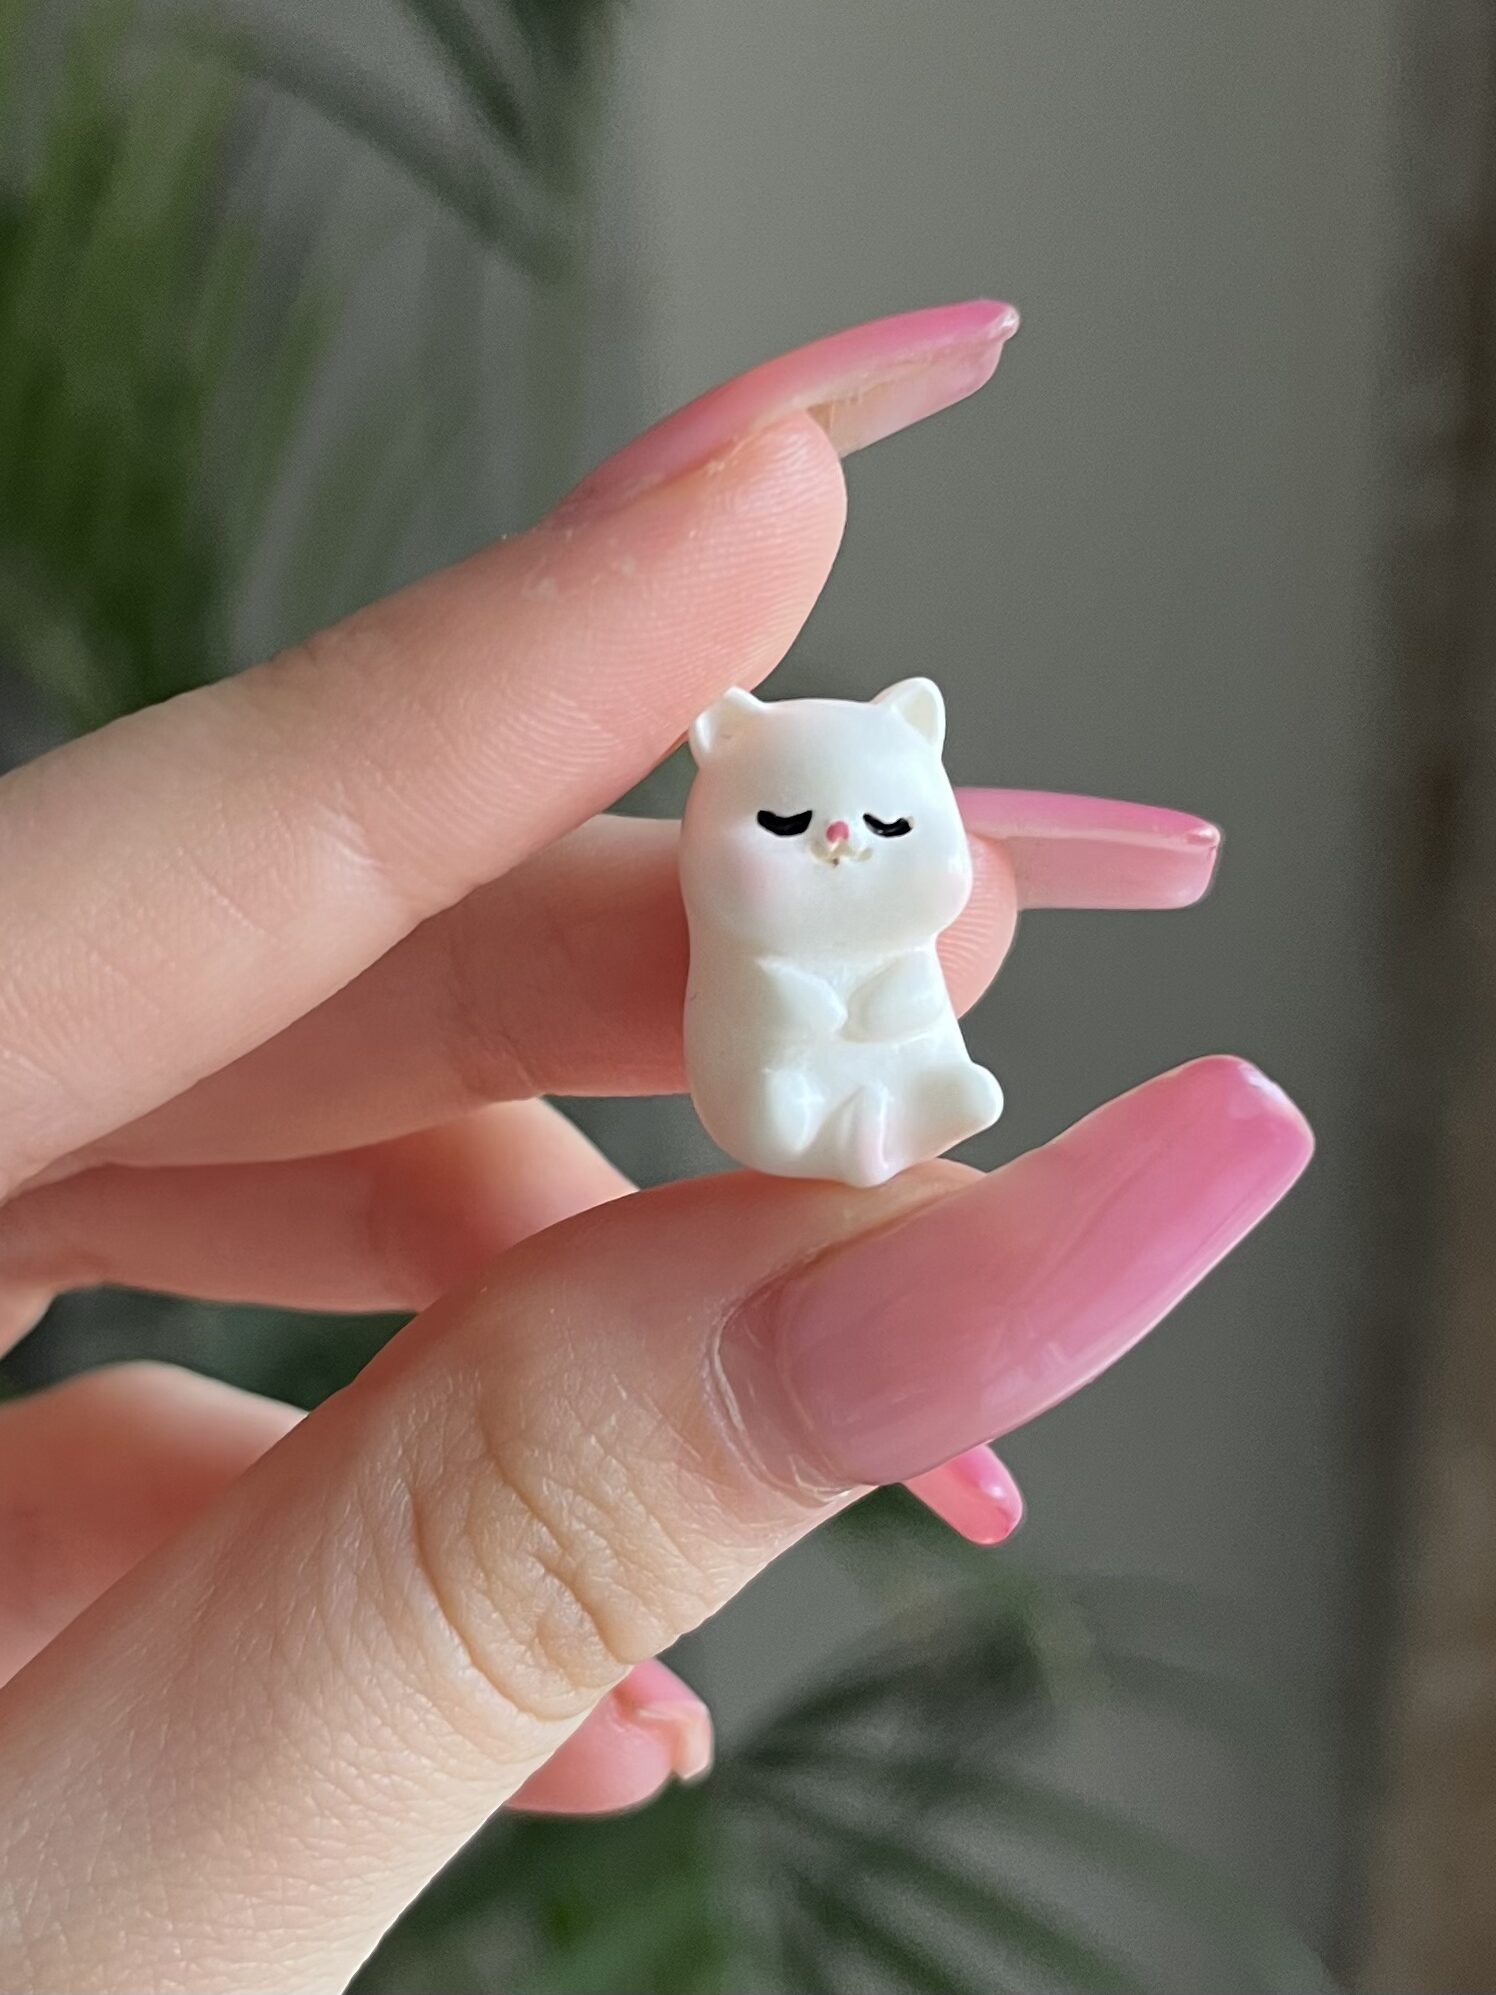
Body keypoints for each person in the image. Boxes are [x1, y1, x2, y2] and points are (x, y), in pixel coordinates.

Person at [0, 306, 1311, 1994]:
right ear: (718, 796)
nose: (841, 845)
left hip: (873, 1052)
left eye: (884, 824)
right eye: (793, 822)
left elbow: (894, 974)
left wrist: (900, 1052)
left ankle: (909, 1098)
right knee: (804, 1085)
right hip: (784, 1075)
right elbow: (767, 1036)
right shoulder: (746, 948)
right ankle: (885, 1105)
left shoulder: (880, 901)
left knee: (907, 1041)